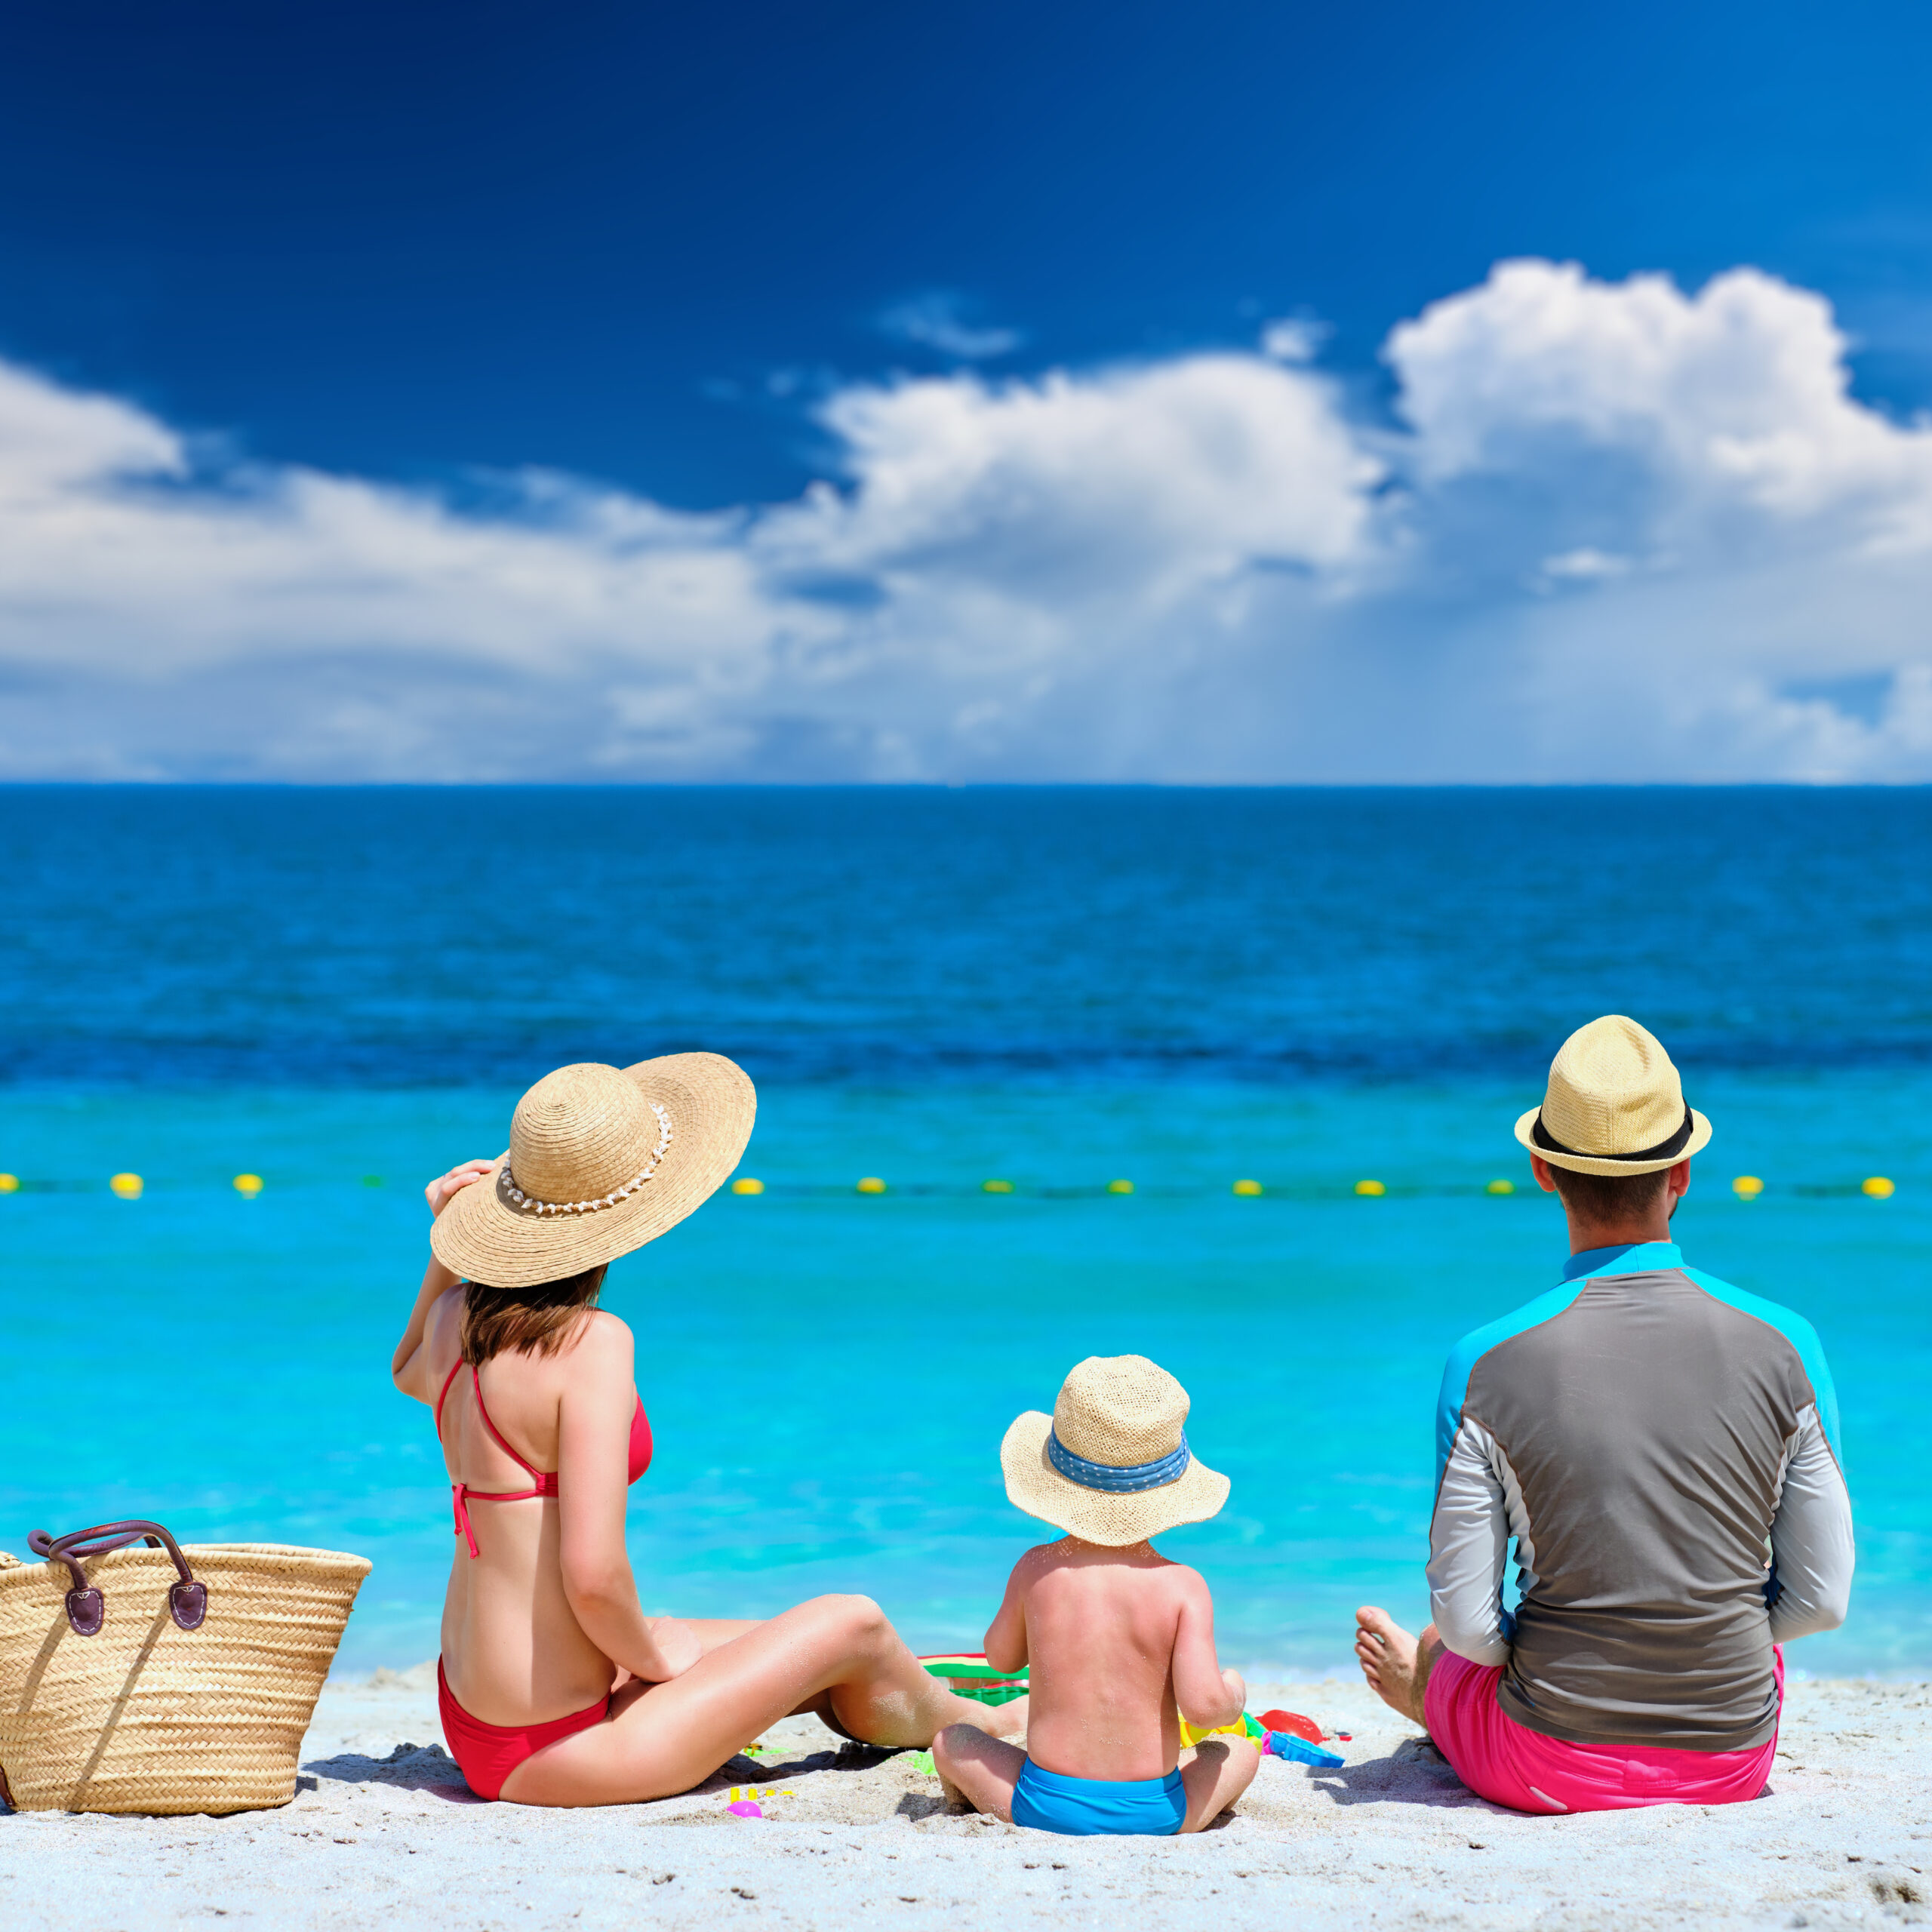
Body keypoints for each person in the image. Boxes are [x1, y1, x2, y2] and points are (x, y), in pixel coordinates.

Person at [390, 1053, 1023, 1805]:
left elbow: (406, 1370)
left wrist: (444, 1252)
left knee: (782, 1640)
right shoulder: (590, 1342)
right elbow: (591, 1578)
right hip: (566, 1749)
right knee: (851, 1622)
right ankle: (984, 1719)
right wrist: (654, 1655)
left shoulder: (453, 1318)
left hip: (477, 1721)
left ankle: (908, 1701)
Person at [1355, 1014, 1854, 1814]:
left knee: (1440, 1648)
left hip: (1542, 1762)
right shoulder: (1787, 1343)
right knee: (1728, 1617)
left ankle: (1430, 1703)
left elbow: (1473, 1625)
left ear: (1540, 1170)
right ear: (1683, 1172)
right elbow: (1822, 1601)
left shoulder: (1483, 1359)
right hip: (1728, 1761)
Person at [934, 1354, 1259, 1835]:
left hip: (1043, 1806)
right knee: (1236, 1752)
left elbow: (1001, 1658)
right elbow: (1206, 1710)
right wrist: (1233, 1689)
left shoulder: (1036, 1568)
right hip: (1159, 1812)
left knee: (952, 1741)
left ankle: (967, 1800)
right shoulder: (1184, 1585)